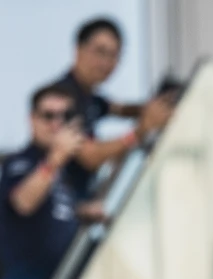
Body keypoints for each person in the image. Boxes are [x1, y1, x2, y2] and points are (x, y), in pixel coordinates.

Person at [0, 84, 86, 279]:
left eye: (65, 117)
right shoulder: (19, 164)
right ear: (32, 120)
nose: (56, 123)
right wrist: (54, 161)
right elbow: (23, 201)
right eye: (48, 116)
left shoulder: (63, 175)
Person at [48, 16, 176, 200]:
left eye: (114, 55)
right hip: (58, 212)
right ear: (78, 50)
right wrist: (141, 130)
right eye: (100, 52)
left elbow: (122, 109)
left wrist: (158, 105)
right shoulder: (61, 99)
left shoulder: (90, 98)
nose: (106, 63)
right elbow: (89, 157)